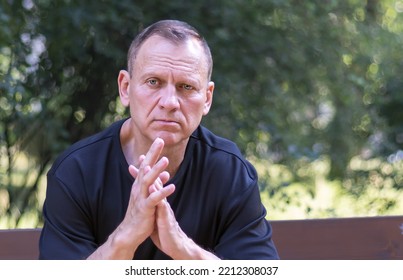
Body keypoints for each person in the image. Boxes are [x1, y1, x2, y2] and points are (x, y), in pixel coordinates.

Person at [39, 19, 279, 260]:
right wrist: (125, 237)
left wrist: (182, 247)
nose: (170, 102)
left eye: (186, 86)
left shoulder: (229, 171)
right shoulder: (77, 171)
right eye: (154, 82)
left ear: (207, 98)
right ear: (125, 87)